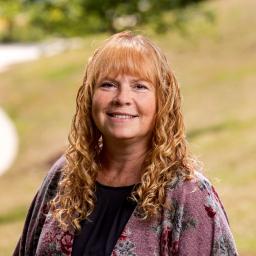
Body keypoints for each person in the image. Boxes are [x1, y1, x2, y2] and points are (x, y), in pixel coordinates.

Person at [13, 31, 238, 256]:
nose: (122, 98)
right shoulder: (65, 175)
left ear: (163, 101)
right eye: (108, 85)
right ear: (90, 96)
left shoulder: (189, 194)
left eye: (139, 86)